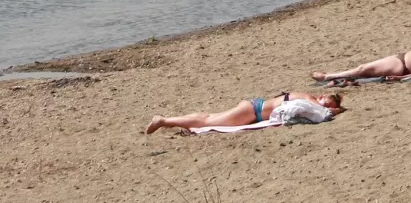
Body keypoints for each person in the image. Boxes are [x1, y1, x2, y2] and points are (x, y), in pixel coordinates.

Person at [144, 90, 343, 134]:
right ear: (322, 96)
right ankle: (163, 120)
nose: (326, 106)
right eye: (328, 101)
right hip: (253, 111)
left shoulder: (306, 99)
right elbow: (321, 111)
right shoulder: (308, 97)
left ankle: (167, 120)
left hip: (253, 108)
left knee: (210, 118)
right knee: (207, 121)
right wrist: (338, 108)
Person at [311, 48, 411, 83]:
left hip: (400, 65)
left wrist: (400, 78)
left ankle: (328, 76)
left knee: (362, 69)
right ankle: (329, 76)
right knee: (363, 70)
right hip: (400, 60)